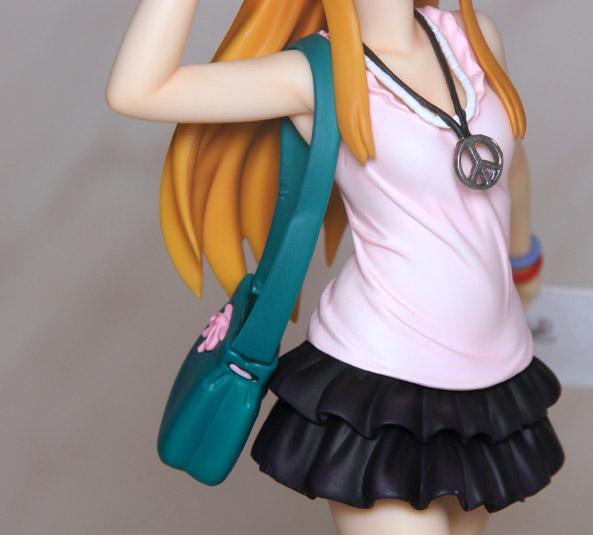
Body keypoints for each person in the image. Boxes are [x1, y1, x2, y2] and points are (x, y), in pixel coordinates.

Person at [107, 1, 564, 533]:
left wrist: (523, 261)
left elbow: (510, 162)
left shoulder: (471, 38)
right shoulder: (314, 73)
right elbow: (139, 90)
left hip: (492, 373)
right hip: (381, 377)